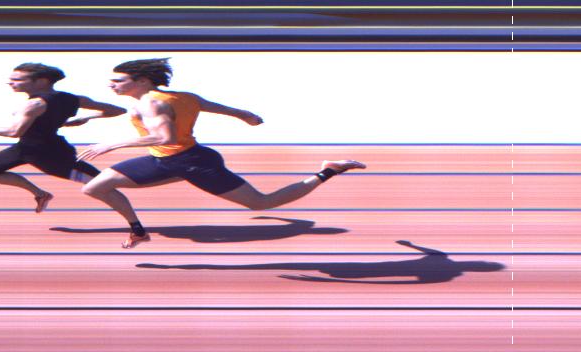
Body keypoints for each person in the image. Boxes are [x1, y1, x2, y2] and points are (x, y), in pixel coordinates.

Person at [75, 58, 365, 248]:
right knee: (95, 187)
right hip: (165, 160)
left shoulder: (151, 104)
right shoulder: (183, 97)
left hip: (192, 164)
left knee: (262, 203)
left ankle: (329, 170)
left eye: (118, 80)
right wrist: (245, 115)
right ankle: (139, 231)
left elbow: (165, 137)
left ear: (142, 81)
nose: (112, 85)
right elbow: (214, 107)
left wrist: (111, 144)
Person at [0, 63, 125, 213]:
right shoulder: (73, 99)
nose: (10, 82)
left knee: (99, 183)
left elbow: (14, 131)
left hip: (49, 154)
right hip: (24, 148)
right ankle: (41, 194)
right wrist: (87, 117)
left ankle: (134, 223)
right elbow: (117, 110)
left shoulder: (35, 104)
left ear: (42, 81)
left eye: (17, 80)